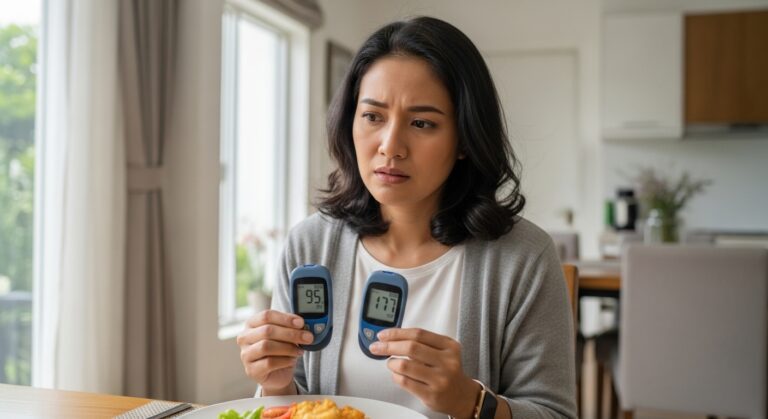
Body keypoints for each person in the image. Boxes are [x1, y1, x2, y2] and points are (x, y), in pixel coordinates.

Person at [236, 16, 576, 419]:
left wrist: (472, 403)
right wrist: (275, 384)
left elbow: (554, 413)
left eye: (421, 123)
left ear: (465, 139)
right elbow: (299, 401)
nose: (391, 146)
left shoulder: (524, 257)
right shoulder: (310, 245)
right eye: (373, 116)